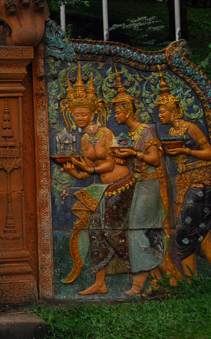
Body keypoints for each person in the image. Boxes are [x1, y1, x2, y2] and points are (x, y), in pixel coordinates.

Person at [61, 65, 134, 295]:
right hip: (104, 186)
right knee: (95, 229)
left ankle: (144, 267)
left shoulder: (105, 133)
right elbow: (87, 171)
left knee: (111, 230)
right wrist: (73, 170)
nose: (79, 118)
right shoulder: (84, 139)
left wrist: (88, 170)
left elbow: (109, 164)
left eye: (83, 114)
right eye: (76, 115)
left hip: (121, 185)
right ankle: (100, 283)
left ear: (93, 113)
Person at [111, 72, 168, 295]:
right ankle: (155, 278)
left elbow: (154, 159)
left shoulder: (145, 131)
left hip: (150, 185)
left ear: (127, 111)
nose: (115, 116)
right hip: (140, 185)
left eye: (118, 111)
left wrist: (134, 153)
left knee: (137, 231)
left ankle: (140, 282)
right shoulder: (131, 133)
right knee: (142, 231)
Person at [155, 74, 211, 277]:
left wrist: (187, 152)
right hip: (185, 183)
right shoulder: (171, 133)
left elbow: (209, 153)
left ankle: (191, 281)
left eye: (162, 112)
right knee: (199, 234)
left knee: (184, 234)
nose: (160, 116)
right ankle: (192, 282)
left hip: (200, 184)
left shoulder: (191, 128)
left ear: (173, 111)